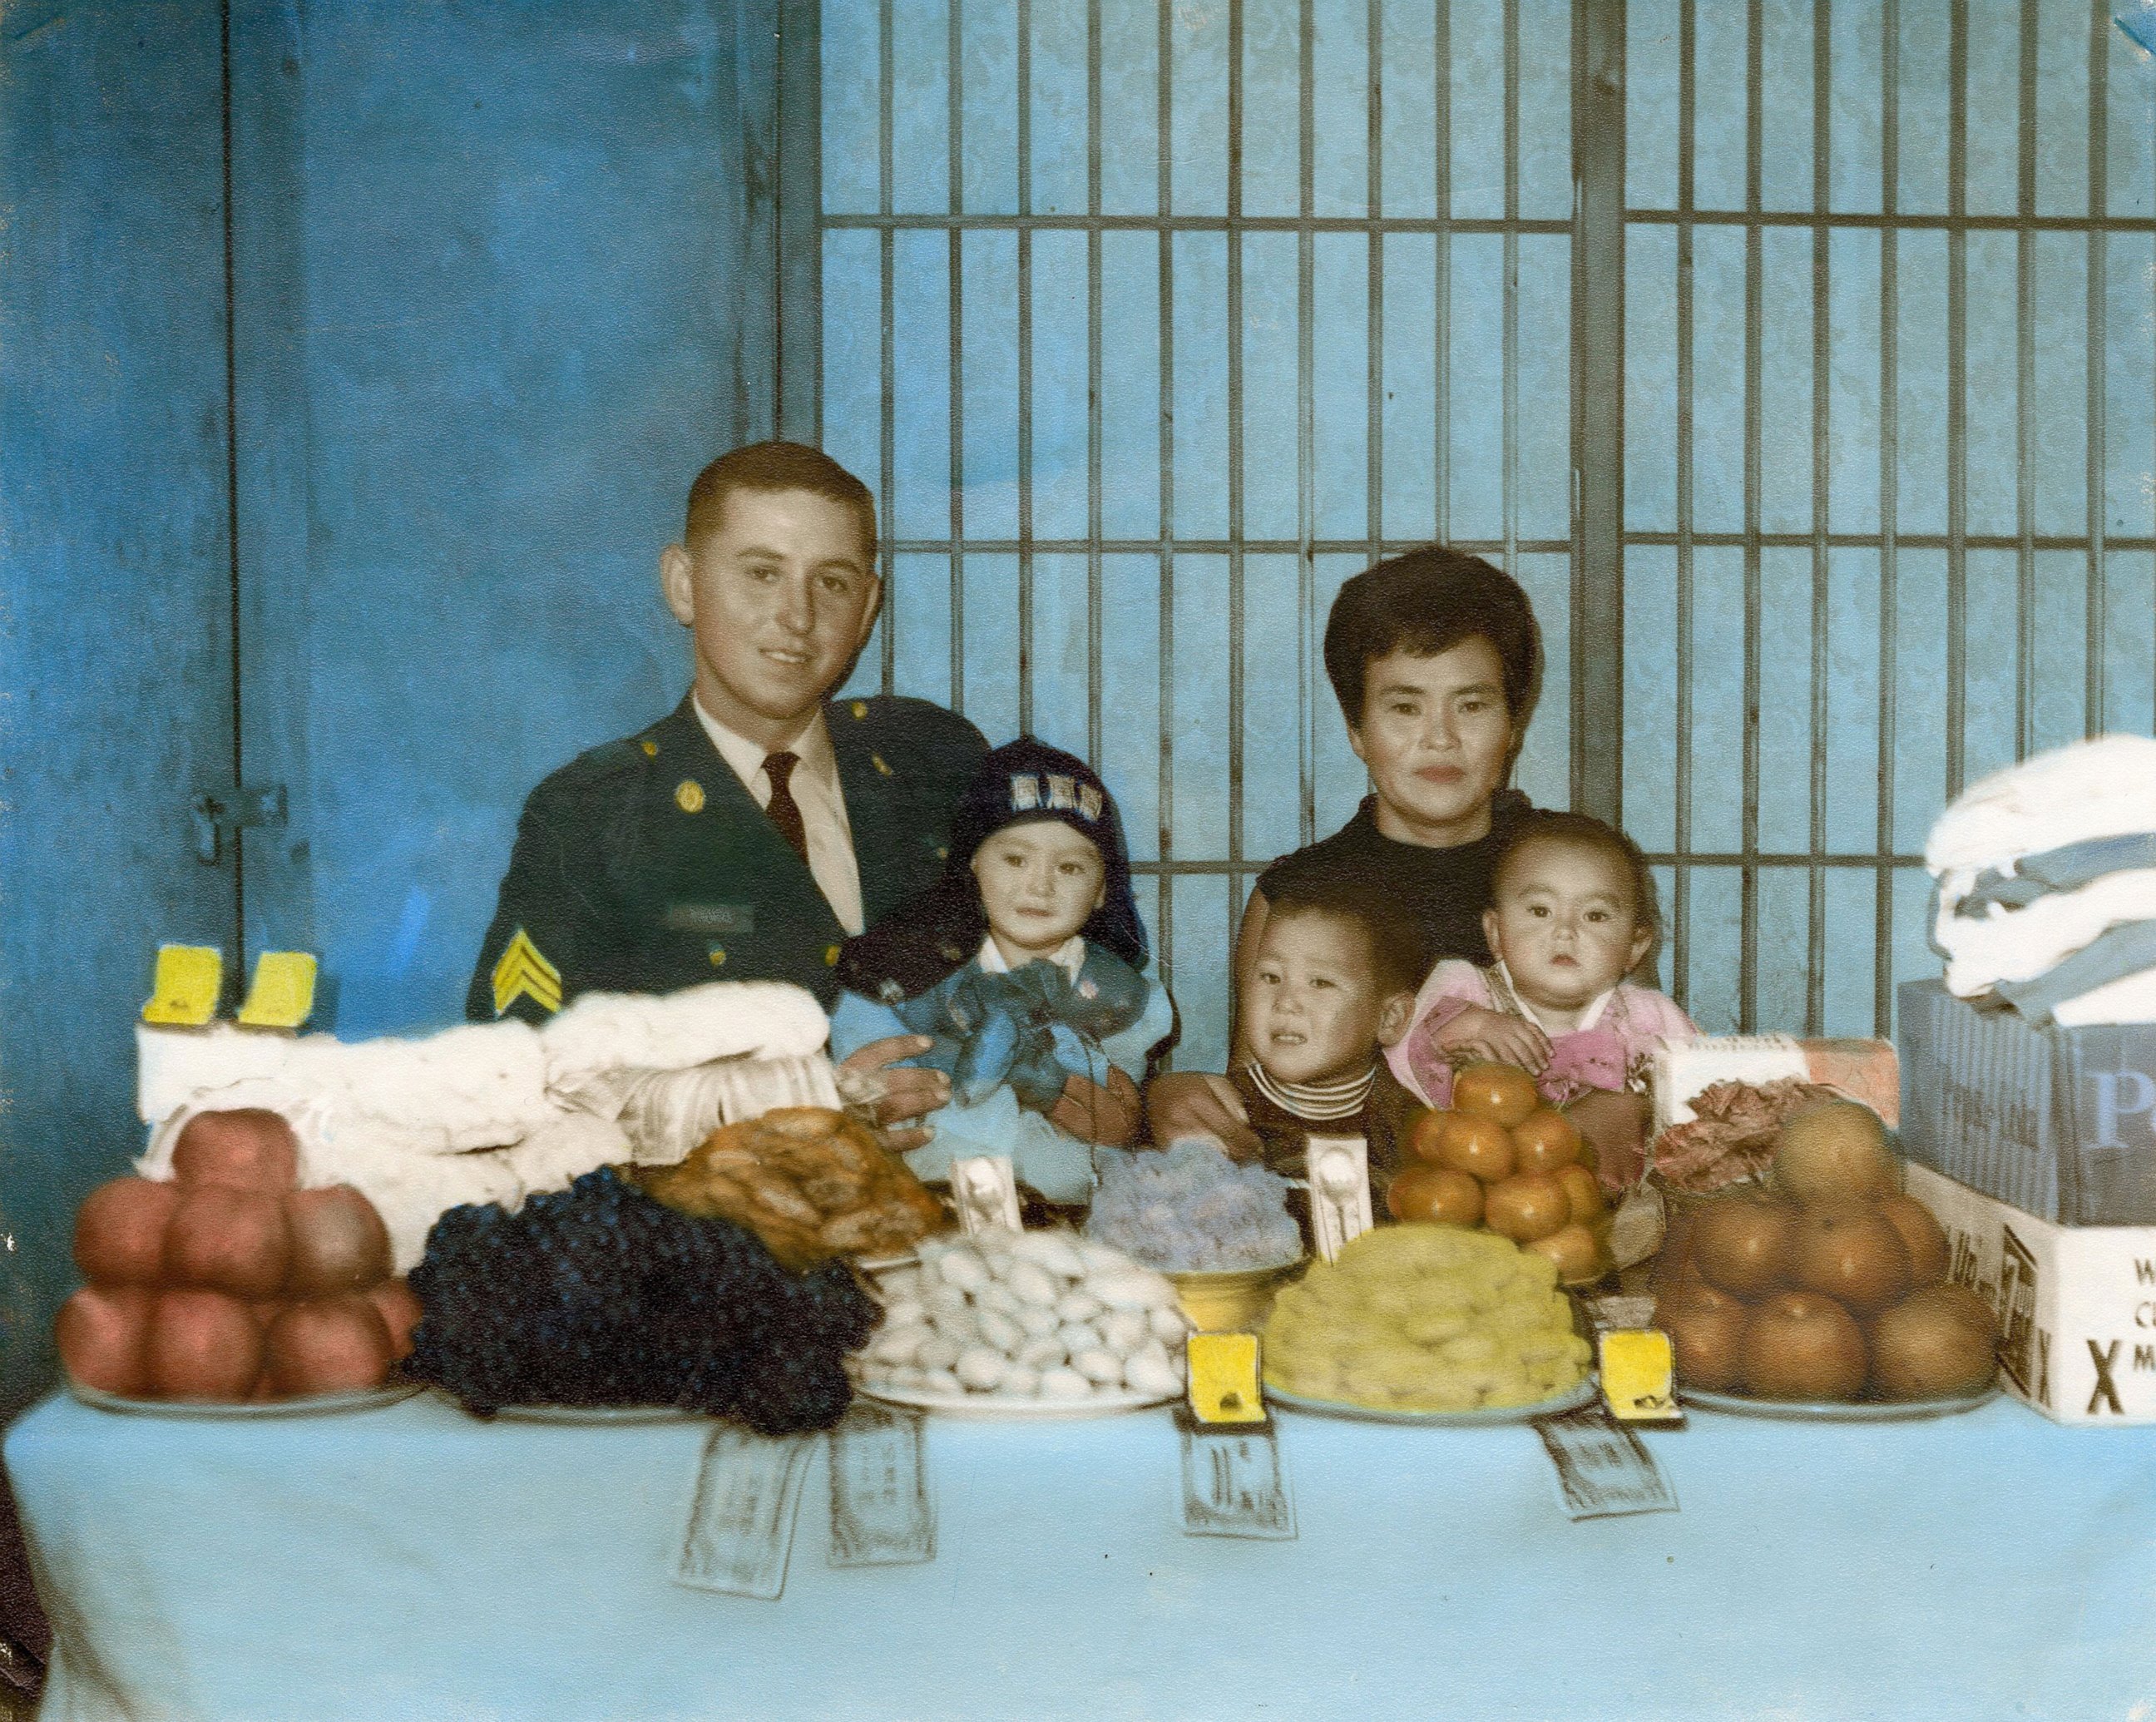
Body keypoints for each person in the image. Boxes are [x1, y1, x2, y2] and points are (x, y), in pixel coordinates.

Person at [467, 442, 1135, 1148]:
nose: (797, 616)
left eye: (834, 583)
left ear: (870, 605)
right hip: (722, 1239)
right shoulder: (595, 815)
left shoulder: (934, 761)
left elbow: (1079, 977)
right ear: (684, 584)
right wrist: (783, 1110)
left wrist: (1163, 1093)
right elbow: (518, 1081)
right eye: (761, 574)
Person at [1145, 547, 1542, 1155]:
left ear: (1514, 723)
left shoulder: (1574, 873)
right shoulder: (1299, 893)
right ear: (1356, 729)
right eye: (1404, 707)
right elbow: (1258, 1099)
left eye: (1472, 705)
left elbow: (1635, 1040)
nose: (1439, 738)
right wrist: (1176, 1099)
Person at [827, 739, 1171, 1204]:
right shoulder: (908, 973)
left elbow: (1115, 1107)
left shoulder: (1119, 993)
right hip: (925, 1193)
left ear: (1102, 891)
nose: (1041, 884)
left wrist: (1121, 1124)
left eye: (1070, 867)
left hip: (1075, 1210)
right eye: (1015, 859)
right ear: (972, 864)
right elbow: (868, 1071)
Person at [1391, 811, 1696, 1186]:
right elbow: (1399, 1058)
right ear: (1496, 932)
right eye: (1540, 911)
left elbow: (1703, 1097)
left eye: (1595, 916)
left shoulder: (1649, 1019)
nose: (1565, 932)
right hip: (1482, 1198)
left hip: (1614, 1210)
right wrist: (1464, 1027)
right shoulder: (1467, 990)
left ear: (1635, 946)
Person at [1227, 872, 1426, 1237]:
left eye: (1320, 983)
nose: (1286, 1003)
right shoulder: (1224, 1114)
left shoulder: (1411, 1126)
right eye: (1270, 977)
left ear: (1390, 1018)